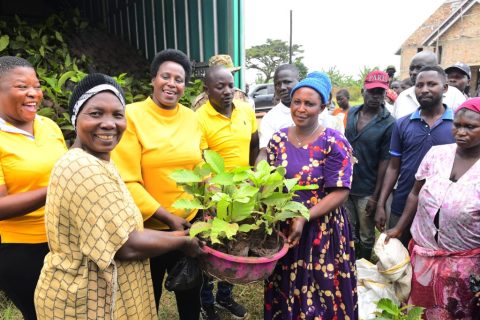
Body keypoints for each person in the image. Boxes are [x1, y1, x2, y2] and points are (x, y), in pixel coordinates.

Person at [34, 73, 204, 320]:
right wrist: (184, 242)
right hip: (86, 302)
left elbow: (124, 229)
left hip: (102, 294)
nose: (108, 123)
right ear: (75, 119)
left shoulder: (99, 161)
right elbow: (126, 246)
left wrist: (182, 234)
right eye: (95, 113)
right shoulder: (84, 168)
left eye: (117, 114)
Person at [111, 49, 204, 319]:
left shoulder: (191, 117)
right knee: (145, 301)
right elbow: (128, 179)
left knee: (190, 293)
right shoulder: (131, 116)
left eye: (179, 79)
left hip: (189, 223)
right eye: (166, 76)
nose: (172, 84)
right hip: (147, 230)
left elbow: (198, 166)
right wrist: (168, 217)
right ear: (153, 78)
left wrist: (207, 203)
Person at [264, 73, 357, 319]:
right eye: (297, 102)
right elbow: (270, 183)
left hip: (322, 229)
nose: (301, 109)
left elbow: (341, 191)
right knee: (285, 288)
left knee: (323, 291)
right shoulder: (278, 140)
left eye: (309, 104)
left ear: (322, 107)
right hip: (287, 227)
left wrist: (304, 216)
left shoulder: (334, 142)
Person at [384, 97, 480, 318]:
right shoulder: (437, 154)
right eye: (457, 125)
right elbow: (415, 193)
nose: (461, 132)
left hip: (465, 267)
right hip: (424, 258)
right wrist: (399, 228)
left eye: (470, 127)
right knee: (418, 311)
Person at [0, 56, 67, 320]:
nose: (33, 94)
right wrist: (55, 189)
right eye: (21, 87)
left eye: (36, 86)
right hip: (20, 249)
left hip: (62, 240)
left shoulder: (48, 126)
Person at [196, 66, 258, 320]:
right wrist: (210, 194)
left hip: (242, 195)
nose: (227, 91)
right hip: (215, 195)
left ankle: (225, 296)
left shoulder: (246, 111)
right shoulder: (199, 118)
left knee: (235, 246)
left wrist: (255, 179)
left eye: (230, 85)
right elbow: (199, 158)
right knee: (212, 248)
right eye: (219, 86)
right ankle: (206, 301)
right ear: (206, 90)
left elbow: (254, 143)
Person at [375, 66, 456, 247]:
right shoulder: (402, 124)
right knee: (396, 256)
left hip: (441, 209)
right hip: (402, 202)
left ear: (445, 87)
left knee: (432, 261)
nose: (424, 89)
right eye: (419, 85)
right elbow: (393, 167)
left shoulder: (458, 125)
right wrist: (381, 204)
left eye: (431, 84)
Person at [344, 71, 395, 260]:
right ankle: (350, 264)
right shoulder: (351, 113)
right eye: (372, 91)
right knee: (349, 228)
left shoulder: (389, 123)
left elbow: (385, 162)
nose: (375, 96)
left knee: (366, 234)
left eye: (380, 92)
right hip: (346, 184)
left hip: (368, 188)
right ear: (362, 90)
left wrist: (375, 198)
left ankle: (364, 266)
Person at [392, 51, 465, 119]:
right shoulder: (403, 97)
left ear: (435, 68)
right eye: (411, 68)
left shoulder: (455, 96)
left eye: (419, 67)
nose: (414, 72)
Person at [259, 64, 300, 152]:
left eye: (287, 82)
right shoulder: (270, 118)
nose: (282, 87)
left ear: (299, 81)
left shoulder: (315, 111)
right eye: (277, 84)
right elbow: (265, 151)